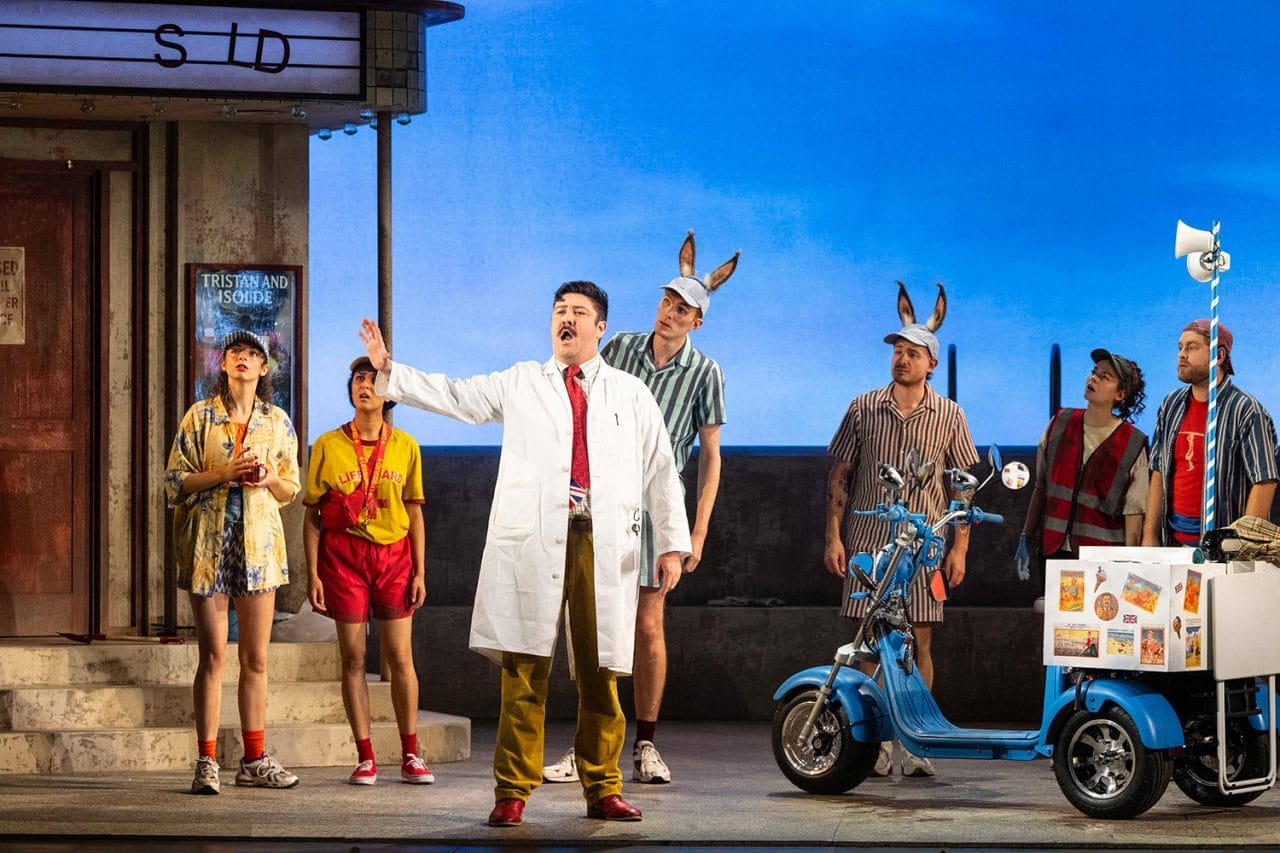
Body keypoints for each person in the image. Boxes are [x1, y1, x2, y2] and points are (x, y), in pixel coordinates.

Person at [357, 280, 691, 828]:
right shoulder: (521, 381)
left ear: (600, 327)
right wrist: (391, 371)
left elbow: (661, 469)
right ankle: (512, 789)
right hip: (535, 538)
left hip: (602, 539)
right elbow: (458, 396)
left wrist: (673, 546)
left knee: (601, 670)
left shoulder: (630, 394)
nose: (566, 319)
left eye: (578, 312)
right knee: (524, 667)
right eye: (559, 311)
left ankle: (603, 786)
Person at [543, 231, 734, 786]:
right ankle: (588, 744)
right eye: (667, 300)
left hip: (656, 505)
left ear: (698, 321)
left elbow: (711, 456)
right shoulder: (622, 348)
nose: (670, 312)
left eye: (683, 308)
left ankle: (645, 744)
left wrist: (696, 532)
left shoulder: (705, 373)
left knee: (647, 624)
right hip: (600, 499)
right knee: (591, 622)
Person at [822, 283, 978, 779]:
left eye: (912, 353)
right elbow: (840, 475)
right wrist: (833, 536)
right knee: (866, 644)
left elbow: (963, 486)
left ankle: (913, 741)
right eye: (897, 351)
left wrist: (959, 549)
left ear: (931, 362)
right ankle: (868, 742)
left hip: (925, 547)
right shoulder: (863, 407)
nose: (902, 359)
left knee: (919, 644)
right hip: (871, 542)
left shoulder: (949, 414)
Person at [164, 330, 301, 795]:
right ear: (223, 364)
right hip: (209, 547)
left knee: (256, 658)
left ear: (264, 367)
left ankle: (254, 759)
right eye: (235, 352)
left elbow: (290, 489)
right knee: (214, 656)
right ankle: (206, 760)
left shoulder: (277, 421)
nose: (243, 358)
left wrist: (267, 478)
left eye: (253, 354)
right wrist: (223, 473)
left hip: (258, 549)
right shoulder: (201, 416)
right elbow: (175, 482)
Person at [303, 357, 432, 786]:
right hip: (344, 558)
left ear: (388, 393)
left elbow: (414, 512)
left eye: (373, 380)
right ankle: (365, 756)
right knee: (354, 658)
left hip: (394, 557)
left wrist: (420, 572)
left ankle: (411, 754)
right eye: (358, 378)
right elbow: (312, 516)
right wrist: (313, 573)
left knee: (400, 657)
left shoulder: (406, 446)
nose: (364, 385)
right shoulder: (327, 444)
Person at [1141, 320, 1278, 546]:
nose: (1182, 355)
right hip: (1172, 540)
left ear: (1219, 356)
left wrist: (1243, 544)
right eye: (1180, 347)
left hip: (1222, 543)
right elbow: (1158, 470)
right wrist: (1149, 536)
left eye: (1192, 347)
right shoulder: (1171, 404)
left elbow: (1264, 480)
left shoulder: (1246, 410)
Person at [1016, 349, 1149, 580]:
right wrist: (1025, 537)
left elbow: (1133, 513)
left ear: (1120, 394)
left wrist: (1132, 564)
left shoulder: (1132, 443)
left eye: (1105, 377)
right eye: (1094, 372)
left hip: (1102, 562)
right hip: (1053, 553)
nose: (1093, 378)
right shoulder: (1059, 423)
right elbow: (1041, 487)